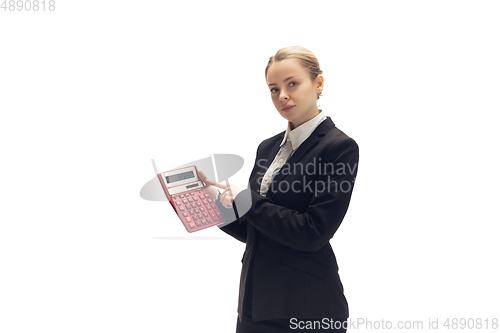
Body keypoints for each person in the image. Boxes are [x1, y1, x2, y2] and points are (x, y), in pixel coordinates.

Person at [199, 46, 359, 332]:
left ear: (318, 83)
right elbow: (257, 230)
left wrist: (247, 200)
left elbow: (313, 233)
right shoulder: (268, 147)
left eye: (292, 84)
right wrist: (210, 204)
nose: (282, 95)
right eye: (274, 89)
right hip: (255, 304)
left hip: (307, 306)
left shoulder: (339, 148)